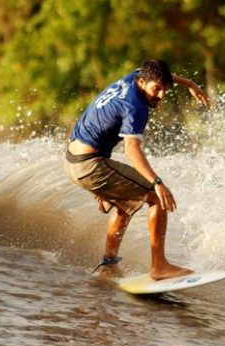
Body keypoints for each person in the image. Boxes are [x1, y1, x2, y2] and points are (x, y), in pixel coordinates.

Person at [65, 59, 210, 280]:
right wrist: (157, 183)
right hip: (91, 165)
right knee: (155, 197)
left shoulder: (134, 78)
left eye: (165, 89)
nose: (161, 95)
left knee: (126, 201)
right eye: (156, 89)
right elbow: (131, 150)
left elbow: (163, 78)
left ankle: (109, 265)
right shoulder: (136, 106)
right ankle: (159, 266)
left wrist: (190, 83)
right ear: (143, 82)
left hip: (73, 159)